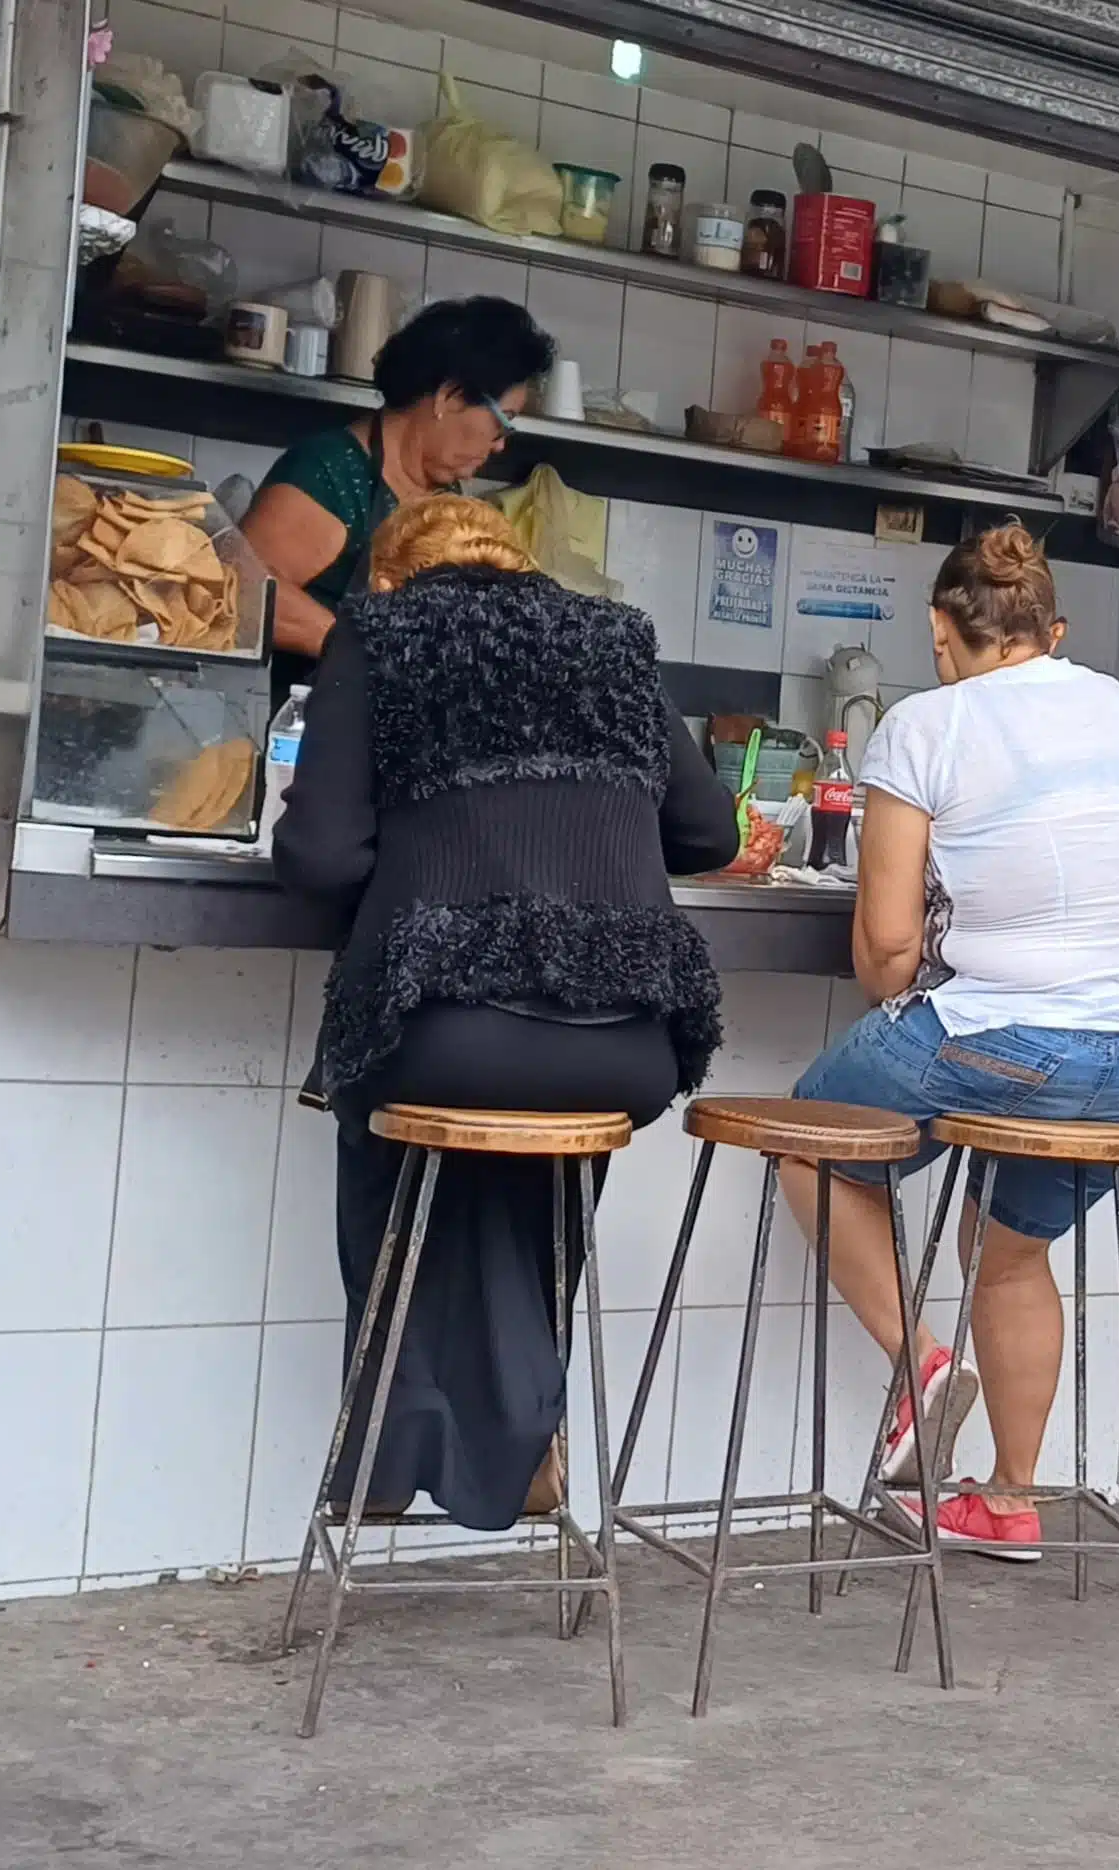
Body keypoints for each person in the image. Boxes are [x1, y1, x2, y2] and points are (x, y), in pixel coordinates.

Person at [274, 494, 739, 1529]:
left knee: (402, 1093)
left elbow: (318, 859)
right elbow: (709, 833)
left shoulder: (382, 632)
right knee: (523, 1147)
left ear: (390, 578)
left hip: (447, 1031)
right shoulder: (613, 641)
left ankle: (400, 1445)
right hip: (630, 1049)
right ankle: (523, 1417)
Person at [782, 522, 1119, 1559]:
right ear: (1049, 630)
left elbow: (883, 946)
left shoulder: (926, 724)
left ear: (941, 629)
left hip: (1013, 1032)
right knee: (1005, 1255)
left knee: (807, 1141)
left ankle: (921, 1366)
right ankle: (1009, 1499)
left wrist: (921, 962)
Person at [243, 296, 552, 695]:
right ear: (449, 398)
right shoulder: (331, 473)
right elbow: (245, 590)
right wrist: (372, 655)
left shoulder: (447, 500)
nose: (499, 446)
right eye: (503, 422)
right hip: (308, 734)